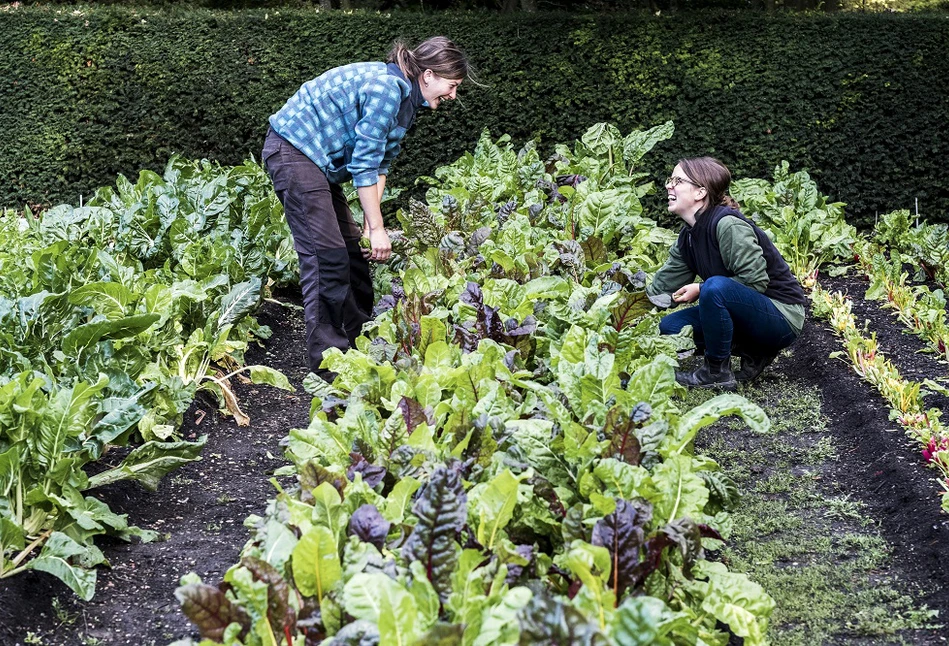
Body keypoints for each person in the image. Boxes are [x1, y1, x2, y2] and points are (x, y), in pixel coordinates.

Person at [262, 37, 470, 378]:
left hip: (314, 161)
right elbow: (363, 164)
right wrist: (376, 228)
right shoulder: (389, 88)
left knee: (350, 251)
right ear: (429, 75)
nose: (452, 95)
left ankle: (360, 342)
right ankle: (328, 367)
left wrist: (373, 226)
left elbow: (380, 165)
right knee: (326, 257)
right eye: (452, 86)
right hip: (294, 150)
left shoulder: (406, 99)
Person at [646, 156, 808, 390]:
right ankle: (754, 351)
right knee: (671, 327)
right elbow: (661, 288)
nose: (668, 185)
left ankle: (716, 372)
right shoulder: (688, 237)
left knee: (714, 288)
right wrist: (621, 310)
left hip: (781, 315)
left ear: (700, 192)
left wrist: (700, 289)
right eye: (670, 180)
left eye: (677, 180)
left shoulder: (728, 225)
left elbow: (755, 281)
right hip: (744, 309)